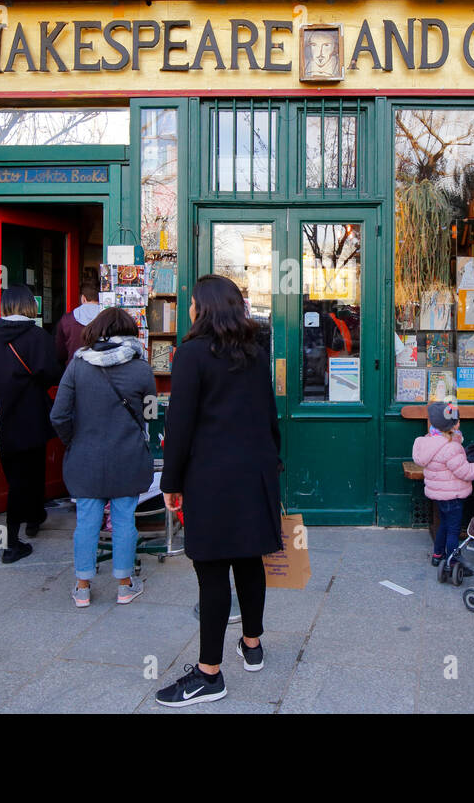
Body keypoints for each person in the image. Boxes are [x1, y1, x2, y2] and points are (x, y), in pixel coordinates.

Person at [156, 274, 281, 708]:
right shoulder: (255, 351)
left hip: (211, 477)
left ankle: (209, 674)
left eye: (192, 302)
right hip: (255, 472)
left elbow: (180, 425)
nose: (189, 308)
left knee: (211, 573)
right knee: (249, 560)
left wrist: (170, 483)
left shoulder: (191, 354)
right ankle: (253, 644)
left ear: (203, 308)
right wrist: (272, 463)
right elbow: (269, 414)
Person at [51, 306, 155, 607]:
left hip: (85, 457)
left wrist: (74, 440)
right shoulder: (141, 367)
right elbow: (150, 413)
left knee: (87, 521)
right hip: (128, 456)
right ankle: (124, 585)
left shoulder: (77, 365)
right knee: (124, 520)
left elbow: (59, 415)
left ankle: (82, 586)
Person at [0, 285, 62, 563]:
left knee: (14, 477)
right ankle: (15, 537)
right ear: (31, 306)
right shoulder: (39, 337)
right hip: (32, 416)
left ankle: (27, 522)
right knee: (33, 472)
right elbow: (52, 374)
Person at [414, 400, 474, 567]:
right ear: (452, 426)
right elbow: (465, 471)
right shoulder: (451, 447)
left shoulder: (430, 441)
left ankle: (438, 555)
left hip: (439, 495)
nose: (459, 422)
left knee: (443, 524)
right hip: (453, 495)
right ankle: (453, 562)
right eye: (457, 420)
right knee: (453, 530)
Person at [54, 269, 102, 363]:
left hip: (74, 371)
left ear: (83, 298)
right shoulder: (110, 319)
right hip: (103, 372)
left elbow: (60, 353)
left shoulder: (66, 319)